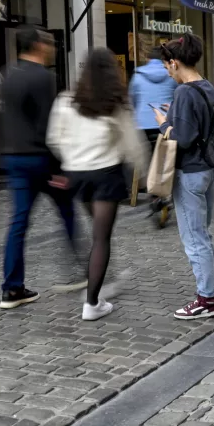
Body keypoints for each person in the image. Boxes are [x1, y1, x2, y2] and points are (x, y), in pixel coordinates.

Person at [47, 49, 146, 320]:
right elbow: (133, 145)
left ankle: (99, 286)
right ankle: (92, 303)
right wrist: (144, 174)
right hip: (106, 174)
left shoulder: (66, 101)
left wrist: (71, 159)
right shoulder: (116, 103)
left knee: (96, 234)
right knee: (101, 238)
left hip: (78, 176)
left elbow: (54, 138)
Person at [0, 26, 78, 309]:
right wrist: (60, 168)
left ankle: (11, 288)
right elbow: (48, 125)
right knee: (67, 210)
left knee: (18, 223)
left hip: (13, 157)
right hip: (40, 159)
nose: (52, 47)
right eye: (48, 43)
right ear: (37, 46)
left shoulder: (8, 75)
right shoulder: (44, 77)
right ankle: (81, 269)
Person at [152, 34, 214, 320]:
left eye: (166, 66)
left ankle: (206, 299)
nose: (166, 71)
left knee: (194, 237)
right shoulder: (207, 85)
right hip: (210, 168)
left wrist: (164, 125)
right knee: (203, 234)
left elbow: (182, 138)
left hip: (191, 171)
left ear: (174, 62)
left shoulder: (183, 92)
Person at [129, 46, 177, 145]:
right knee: (165, 158)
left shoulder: (137, 76)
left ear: (148, 59)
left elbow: (131, 101)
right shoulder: (171, 75)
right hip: (164, 123)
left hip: (142, 127)